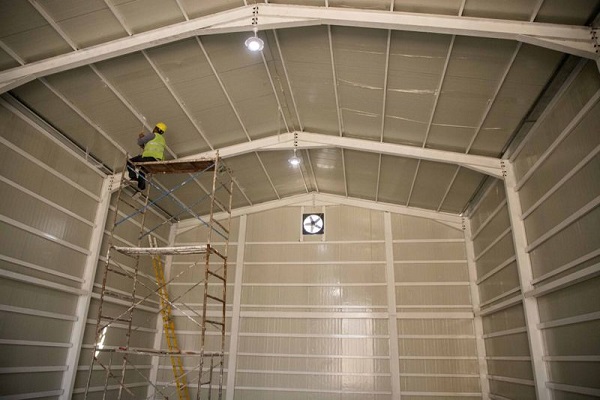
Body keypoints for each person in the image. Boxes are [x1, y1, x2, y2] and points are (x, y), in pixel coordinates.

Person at [126, 122, 167, 190]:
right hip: (157, 161)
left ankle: (133, 177)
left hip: (149, 158)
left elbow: (140, 142)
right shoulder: (162, 140)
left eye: (155, 128)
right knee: (142, 171)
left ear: (156, 128)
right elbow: (147, 148)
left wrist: (141, 137)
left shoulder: (153, 135)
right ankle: (141, 188)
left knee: (130, 161)